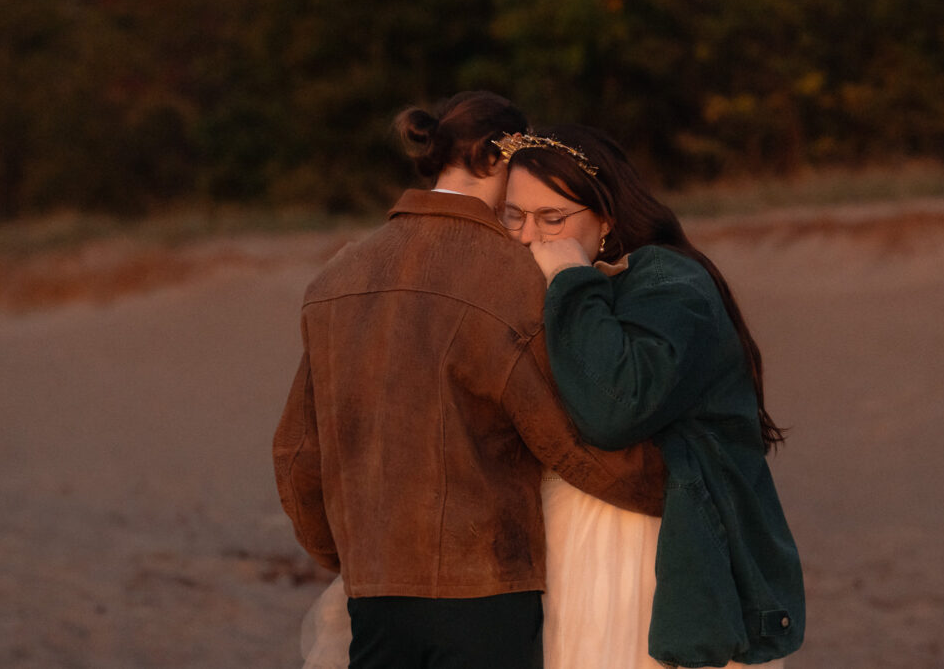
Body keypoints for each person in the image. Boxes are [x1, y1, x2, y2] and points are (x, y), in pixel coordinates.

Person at [272, 93, 666, 669]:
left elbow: (297, 454)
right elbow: (566, 440)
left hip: (375, 589)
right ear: (492, 158)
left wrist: (351, 557)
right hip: (486, 590)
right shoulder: (512, 273)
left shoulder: (337, 275)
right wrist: (673, 488)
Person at [496, 125, 805, 668]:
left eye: (552, 218)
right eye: (514, 215)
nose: (528, 236)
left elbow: (616, 409)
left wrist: (570, 277)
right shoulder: (543, 281)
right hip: (569, 538)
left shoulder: (668, 281)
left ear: (607, 218)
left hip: (642, 545)